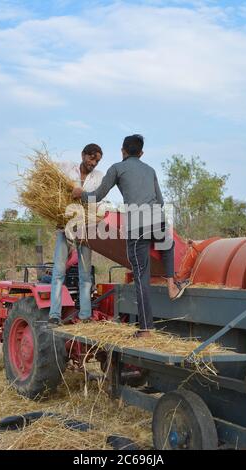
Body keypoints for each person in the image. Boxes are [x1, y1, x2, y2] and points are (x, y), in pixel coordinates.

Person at [72, 135, 188, 337]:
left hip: (137, 225)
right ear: (141, 153)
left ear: (122, 151)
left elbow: (97, 196)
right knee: (166, 243)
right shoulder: (150, 170)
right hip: (157, 219)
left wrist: (80, 194)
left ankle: (145, 329)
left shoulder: (117, 168)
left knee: (141, 277)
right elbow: (160, 201)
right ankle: (171, 284)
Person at [48, 143, 104, 327]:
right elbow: (51, 180)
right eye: (91, 158)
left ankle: (85, 315)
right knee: (58, 272)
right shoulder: (66, 167)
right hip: (64, 226)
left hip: (85, 228)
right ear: (83, 155)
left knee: (85, 274)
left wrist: (83, 193)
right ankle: (54, 315)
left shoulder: (99, 177)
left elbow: (99, 198)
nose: (93, 163)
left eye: (97, 160)